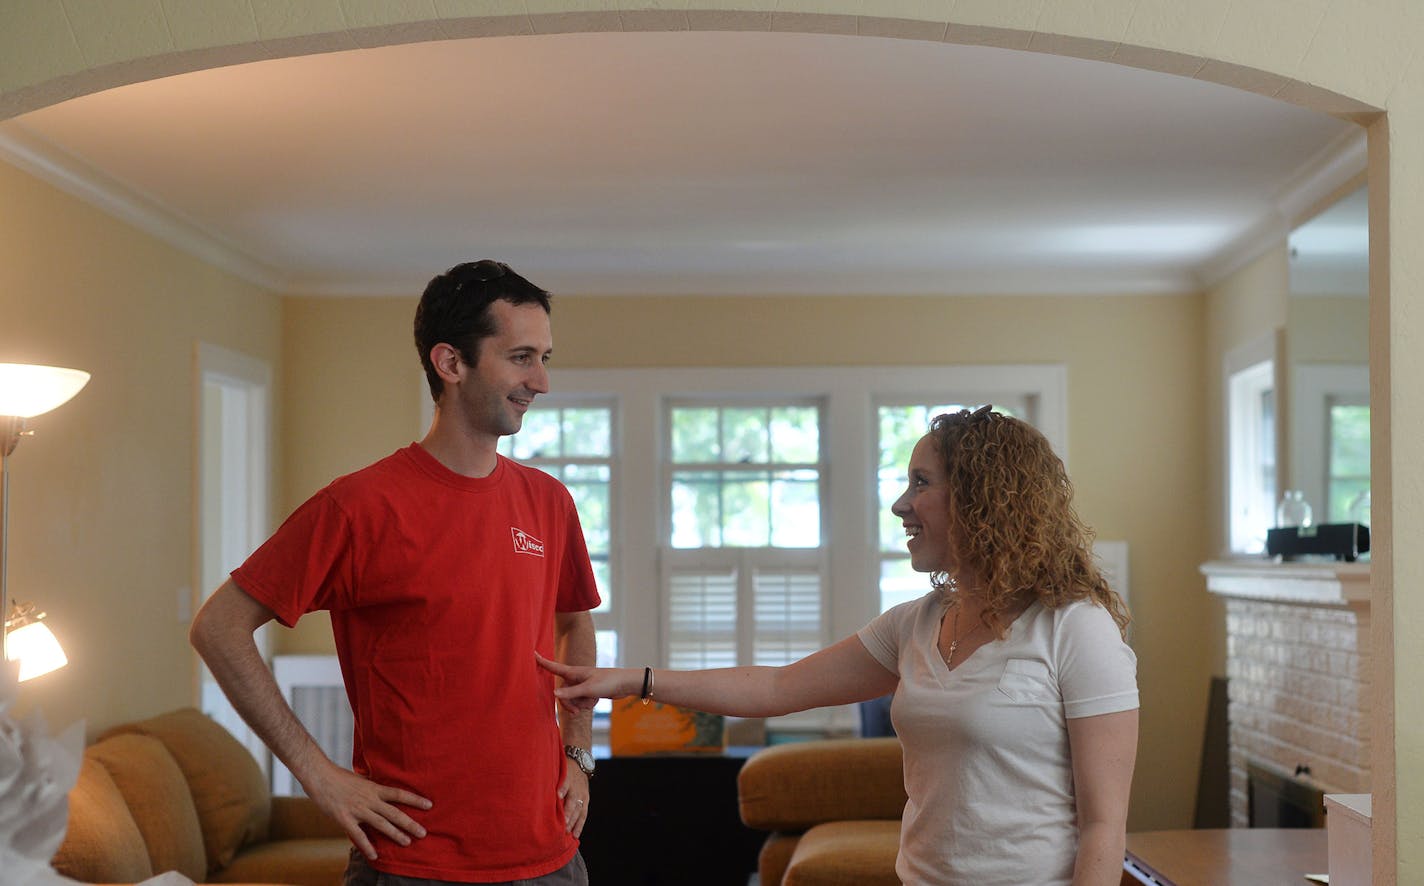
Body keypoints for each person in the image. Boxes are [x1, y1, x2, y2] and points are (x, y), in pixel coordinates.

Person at [539, 406, 1137, 886]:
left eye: (921, 484)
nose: (901, 504)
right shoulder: (916, 624)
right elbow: (777, 688)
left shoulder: (1075, 628)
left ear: (983, 500)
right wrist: (635, 681)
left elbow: (1104, 826)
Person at [191, 259, 601, 886]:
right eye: (521, 357)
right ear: (450, 362)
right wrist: (319, 774)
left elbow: (574, 622)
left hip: (550, 856)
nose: (541, 380)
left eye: (545, 357)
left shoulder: (548, 502)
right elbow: (218, 628)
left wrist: (578, 750)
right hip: (415, 863)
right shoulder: (358, 508)